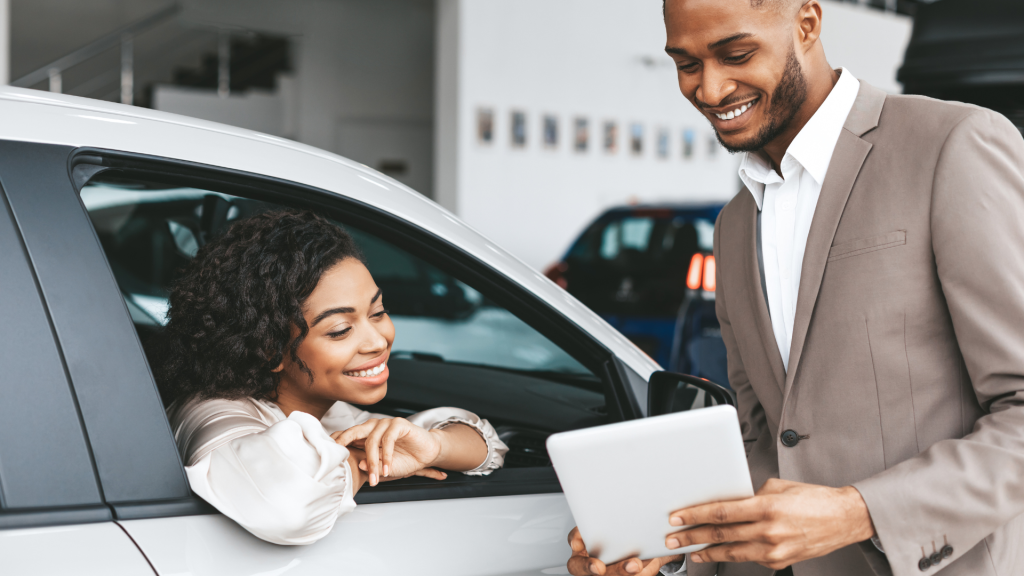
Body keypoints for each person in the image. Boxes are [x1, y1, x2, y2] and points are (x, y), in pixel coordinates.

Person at [568, 0, 1024, 575]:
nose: (708, 89)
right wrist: (669, 556)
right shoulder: (734, 226)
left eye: (735, 54)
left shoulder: (951, 145)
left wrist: (861, 512)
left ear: (806, 23)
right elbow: (763, 441)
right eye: (685, 64)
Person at [151, 209, 508, 545]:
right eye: (340, 330)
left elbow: (486, 444)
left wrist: (434, 448)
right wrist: (367, 465)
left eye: (378, 312)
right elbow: (284, 504)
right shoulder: (214, 414)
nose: (377, 340)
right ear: (269, 350)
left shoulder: (330, 410)